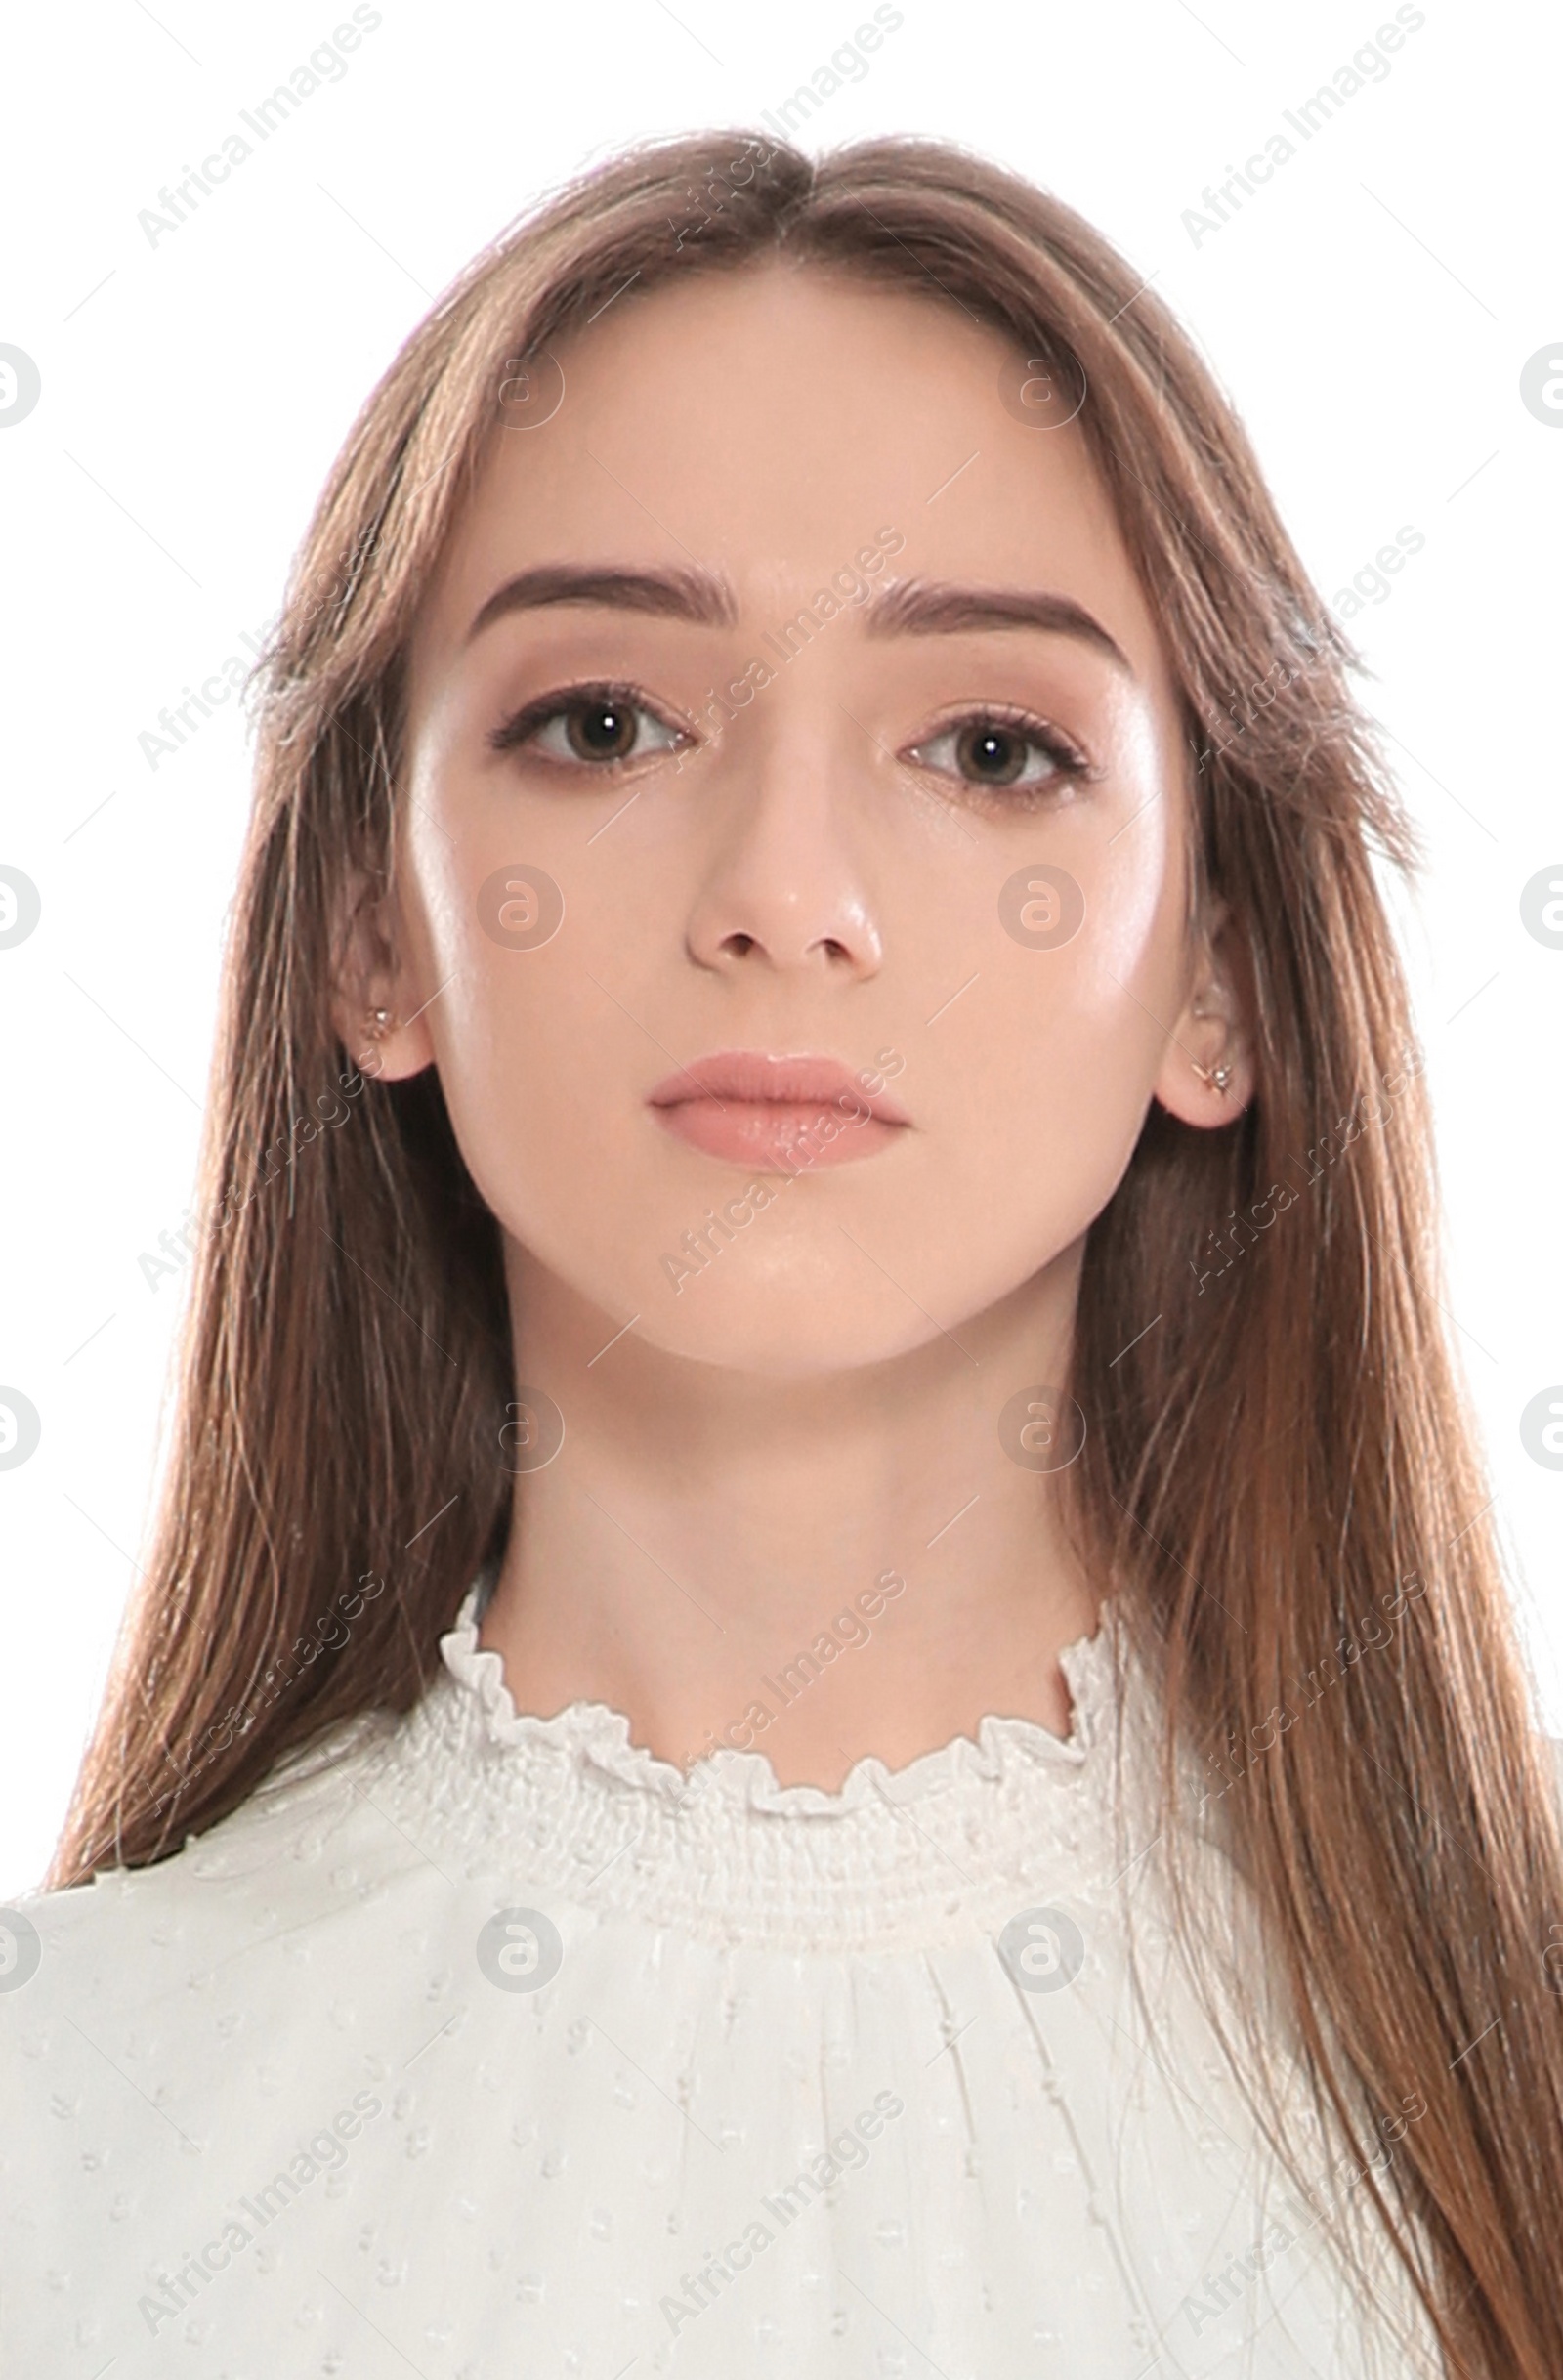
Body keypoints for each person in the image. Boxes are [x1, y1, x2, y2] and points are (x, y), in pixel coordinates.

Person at [6, 128, 1561, 2377]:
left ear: (1214, 976)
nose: (784, 886)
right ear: (373, 929)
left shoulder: (1499, 2108)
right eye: (605, 722)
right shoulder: (60, 2133)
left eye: (990, 745)